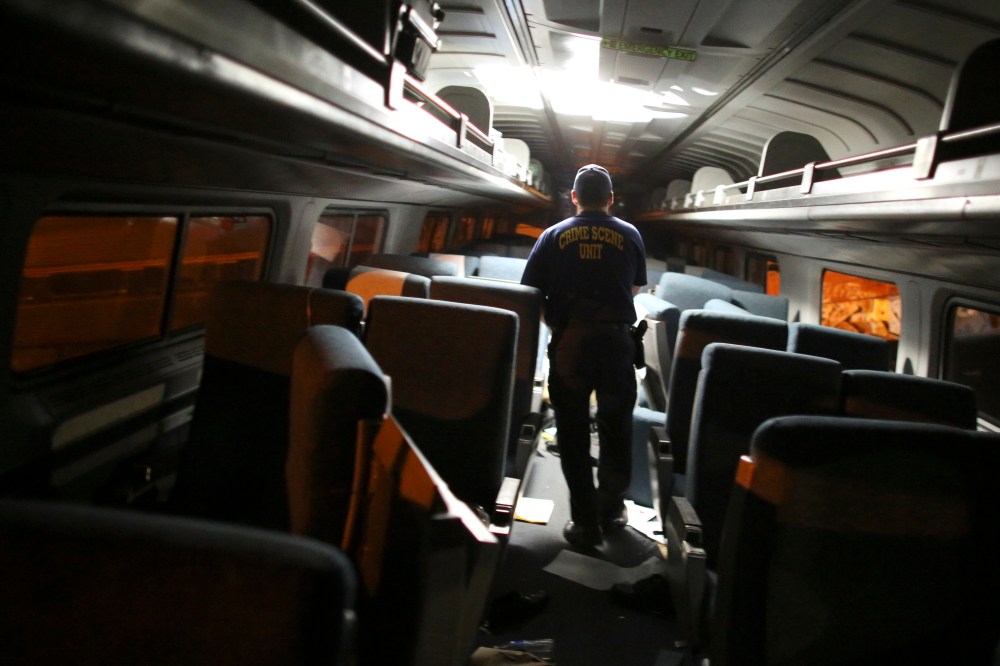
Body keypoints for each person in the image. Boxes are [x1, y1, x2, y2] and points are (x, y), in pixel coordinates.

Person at [521, 164, 647, 548]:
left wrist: (559, 326)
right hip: (616, 343)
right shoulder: (630, 234)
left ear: (573, 197)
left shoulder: (552, 235)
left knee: (573, 433)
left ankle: (584, 523)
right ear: (611, 199)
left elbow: (529, 294)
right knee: (616, 429)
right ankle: (611, 512)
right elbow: (636, 287)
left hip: (570, 343)